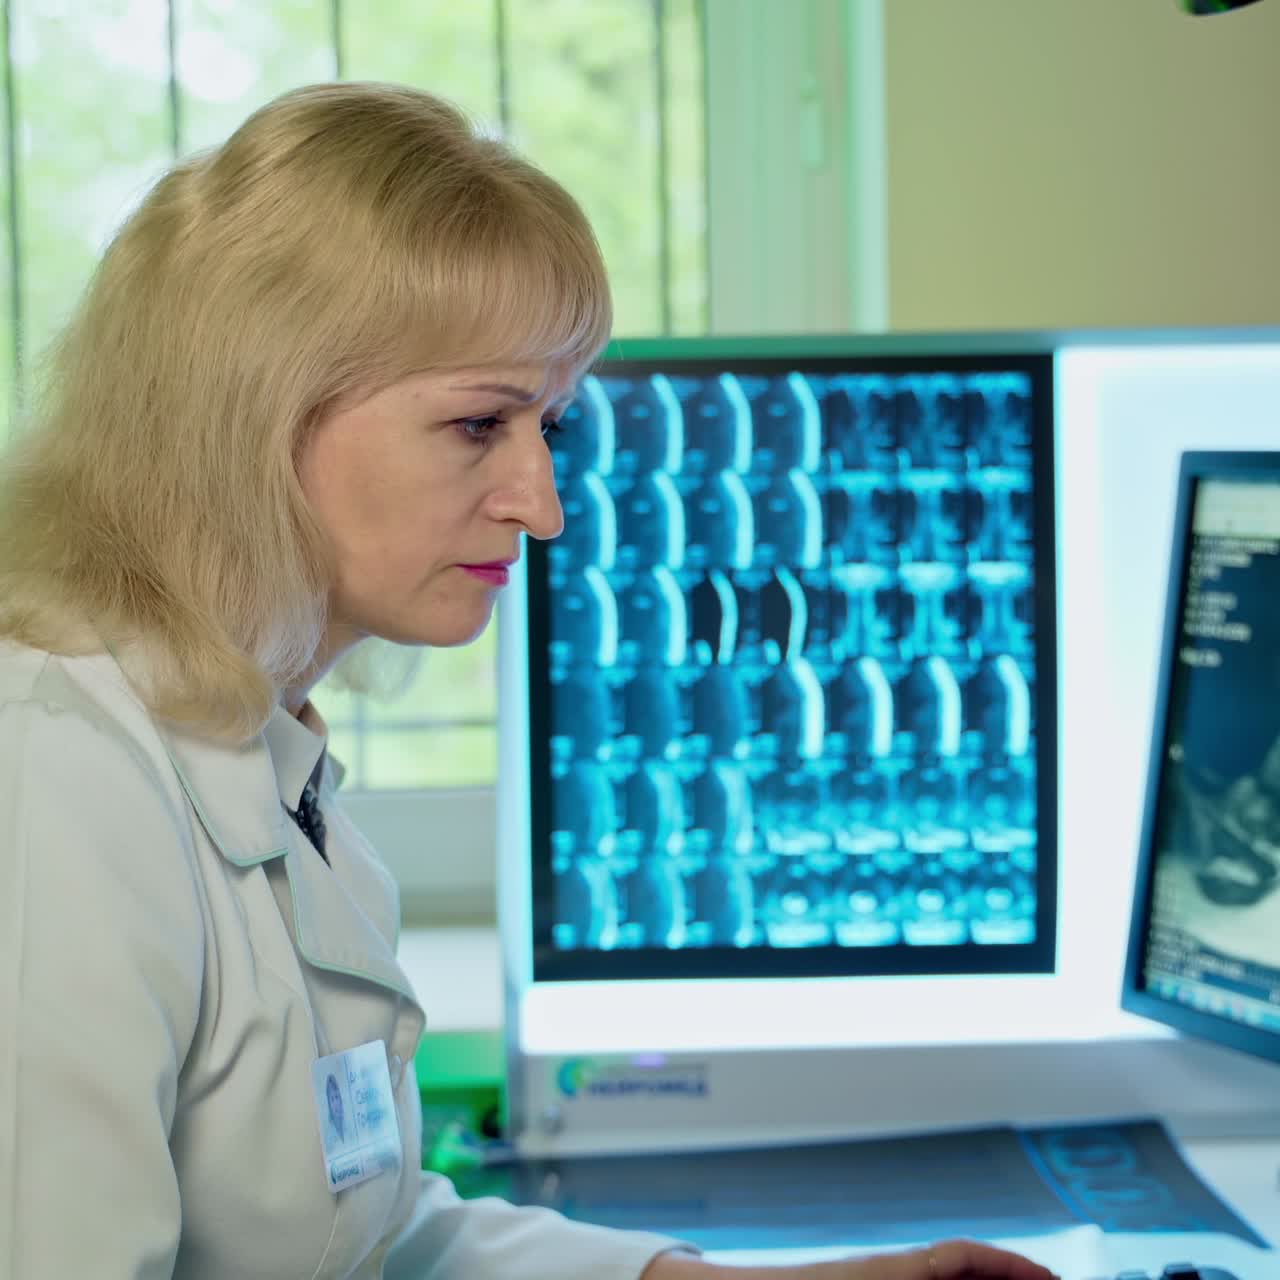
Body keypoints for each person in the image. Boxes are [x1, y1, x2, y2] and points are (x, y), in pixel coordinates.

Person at [0, 81, 1057, 1280]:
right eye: (477, 425)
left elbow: (362, 1232)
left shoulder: (260, 752)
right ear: (256, 410)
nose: (541, 507)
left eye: (547, 426)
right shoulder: (57, 772)